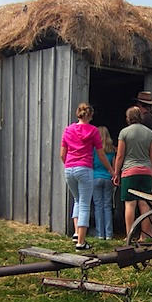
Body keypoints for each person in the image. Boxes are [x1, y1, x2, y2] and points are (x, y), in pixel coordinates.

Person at [60, 103, 115, 251]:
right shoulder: (93, 131)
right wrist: (111, 170)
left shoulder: (68, 129)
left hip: (69, 168)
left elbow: (62, 154)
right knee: (85, 204)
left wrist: (68, 164)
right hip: (84, 168)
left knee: (77, 200)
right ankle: (81, 243)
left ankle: (77, 233)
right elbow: (101, 154)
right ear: (90, 115)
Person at [114, 106, 152, 235]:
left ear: (128, 118)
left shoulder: (124, 133)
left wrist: (116, 173)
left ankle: (129, 235)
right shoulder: (150, 133)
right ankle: (144, 235)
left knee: (130, 204)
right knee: (144, 204)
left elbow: (120, 155)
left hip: (129, 171)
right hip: (146, 171)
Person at [92, 126, 116, 240]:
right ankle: (109, 233)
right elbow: (114, 167)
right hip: (108, 178)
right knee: (107, 206)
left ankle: (100, 234)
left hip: (95, 178)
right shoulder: (112, 150)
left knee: (98, 206)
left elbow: (91, 163)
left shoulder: (94, 149)